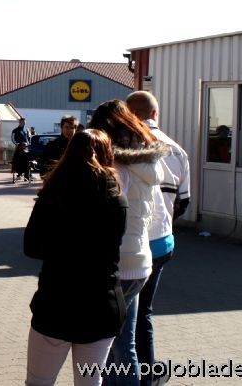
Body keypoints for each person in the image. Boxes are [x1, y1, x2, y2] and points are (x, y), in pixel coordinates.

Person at [24, 129, 128, 386]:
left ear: (68, 154)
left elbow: (32, 247)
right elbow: (112, 248)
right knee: (89, 383)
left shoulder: (52, 194)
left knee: (39, 382)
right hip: (101, 304)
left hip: (56, 301)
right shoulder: (116, 198)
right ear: (108, 156)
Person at [88, 100, 167, 385]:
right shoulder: (146, 162)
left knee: (115, 347)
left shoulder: (114, 166)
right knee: (122, 344)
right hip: (139, 259)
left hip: (117, 263)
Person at [125, 91, 191, 386]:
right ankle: (149, 372)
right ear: (155, 113)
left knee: (125, 315)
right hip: (161, 242)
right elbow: (184, 202)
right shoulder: (177, 151)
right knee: (144, 312)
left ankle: (125, 374)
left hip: (128, 245)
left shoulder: (122, 146)